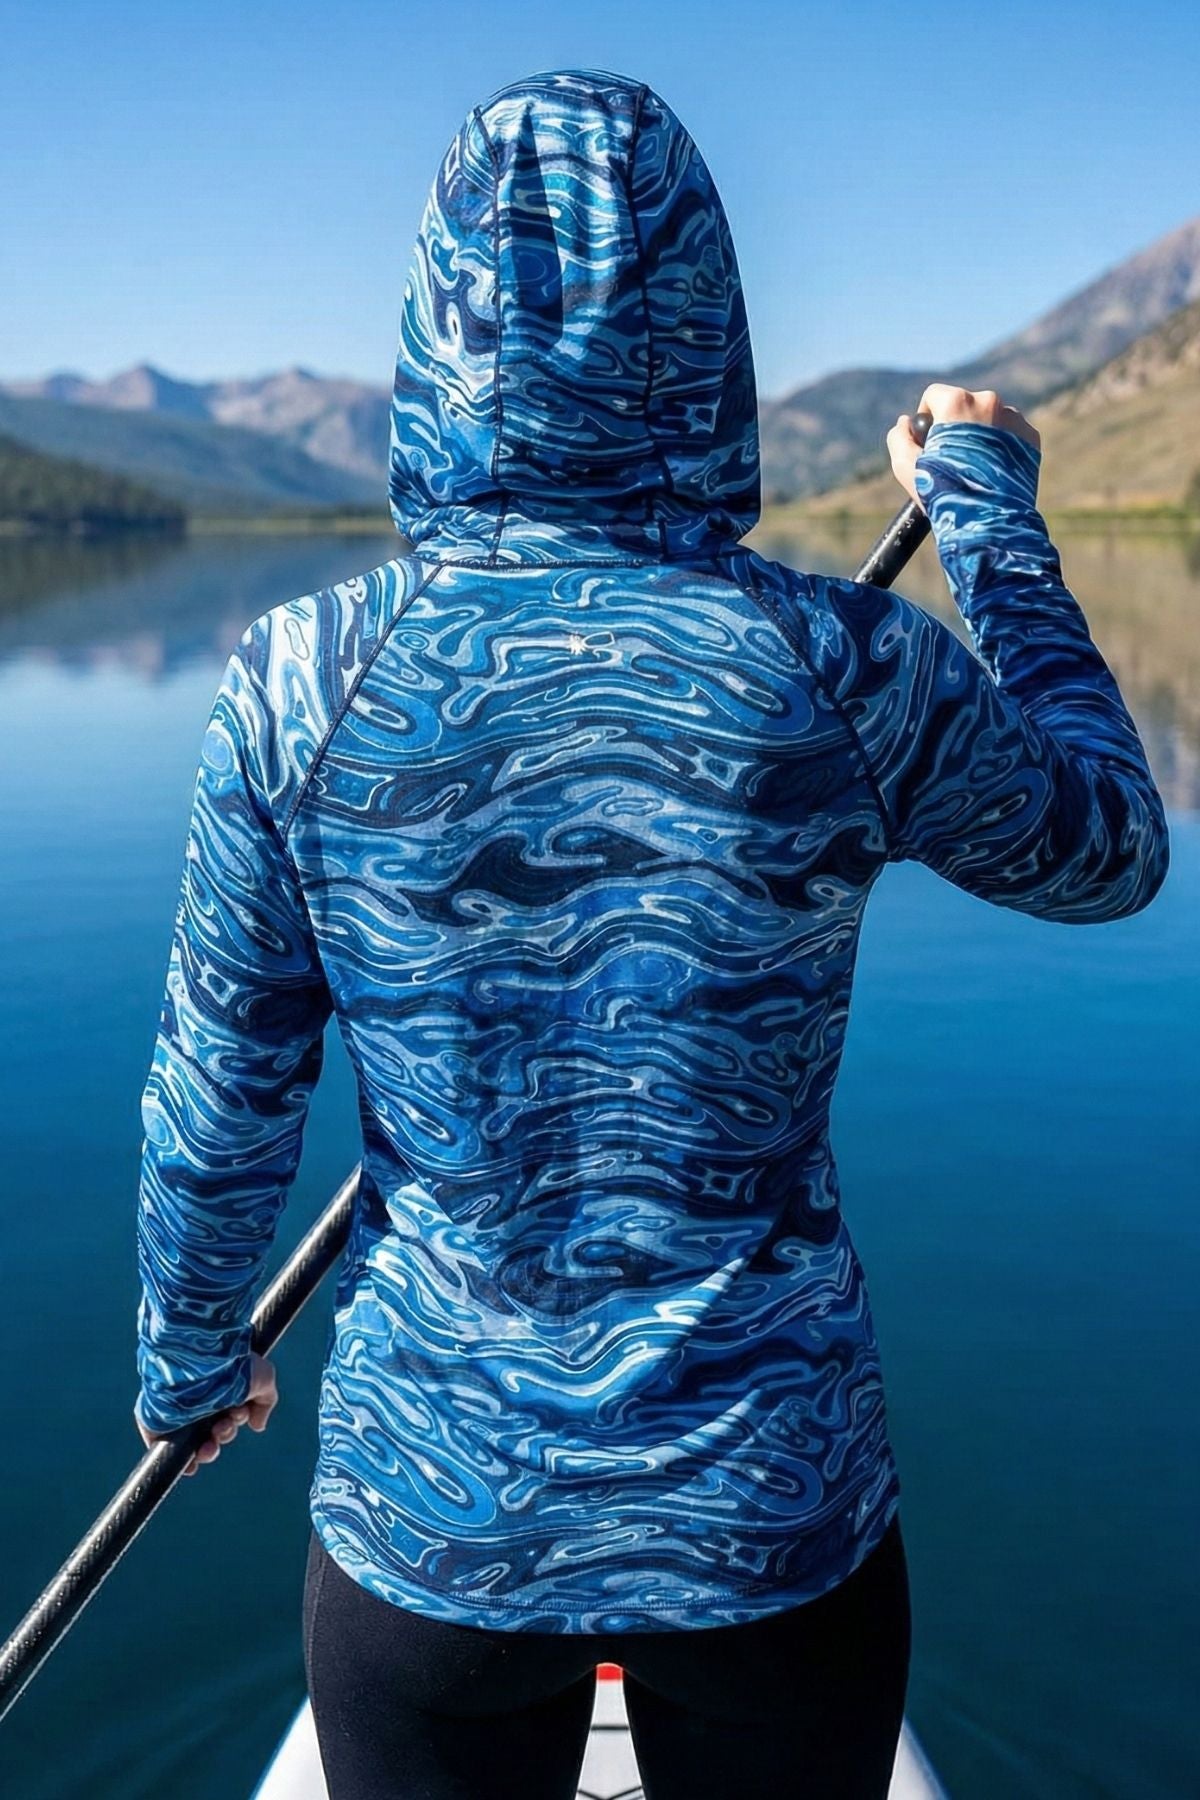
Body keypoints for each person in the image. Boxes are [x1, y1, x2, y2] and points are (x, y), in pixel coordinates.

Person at [131, 66, 1169, 1800]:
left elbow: (223, 1092)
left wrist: (188, 1353)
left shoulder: (301, 684)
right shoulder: (841, 667)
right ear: (707, 326)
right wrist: (982, 508)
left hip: (431, 1529)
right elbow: (1114, 848)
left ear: (434, 333)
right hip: (771, 1512)